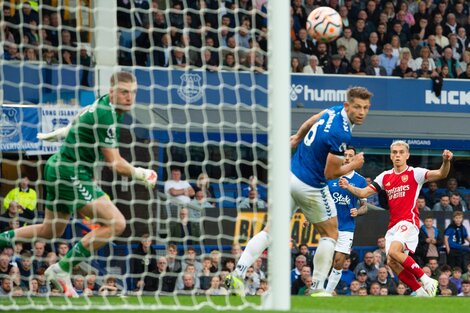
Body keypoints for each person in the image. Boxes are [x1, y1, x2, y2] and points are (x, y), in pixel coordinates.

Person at [0, 71, 157, 297]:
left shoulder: (105, 103)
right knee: (116, 223)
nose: (129, 97)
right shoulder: (108, 115)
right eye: (124, 92)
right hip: (70, 172)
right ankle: (62, 268)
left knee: (51, 229)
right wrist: (141, 173)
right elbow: (115, 163)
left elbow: (84, 113)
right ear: (112, 92)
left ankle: (2, 239)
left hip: (58, 167)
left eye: (133, 92)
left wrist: (67, 130)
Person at [226, 87, 373, 297]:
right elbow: (331, 173)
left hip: (289, 174)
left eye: (366, 108)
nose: (362, 112)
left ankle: (237, 274)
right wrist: (354, 164)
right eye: (357, 107)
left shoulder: (333, 110)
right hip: (311, 185)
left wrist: (297, 137)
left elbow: (313, 119)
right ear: (348, 106)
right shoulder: (341, 133)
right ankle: (317, 287)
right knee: (330, 234)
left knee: (270, 231)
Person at [339, 141, 453, 297]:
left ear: (407, 155)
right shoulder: (385, 176)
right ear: (391, 156)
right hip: (393, 226)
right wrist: (348, 187)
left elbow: (441, 174)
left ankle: (426, 279)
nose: (397, 155)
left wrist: (446, 161)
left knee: (394, 251)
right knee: (391, 262)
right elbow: (363, 193)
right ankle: (421, 293)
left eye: (401, 152)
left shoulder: (415, 173)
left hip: (409, 221)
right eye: (394, 152)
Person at [325, 147, 368, 295]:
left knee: (339, 261)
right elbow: (319, 198)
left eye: (351, 156)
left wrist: (358, 211)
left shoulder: (360, 181)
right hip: (328, 226)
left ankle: (326, 293)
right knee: (326, 260)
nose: (347, 158)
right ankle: (319, 286)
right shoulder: (330, 175)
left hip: (347, 226)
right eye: (345, 155)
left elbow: (365, 207)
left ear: (355, 159)